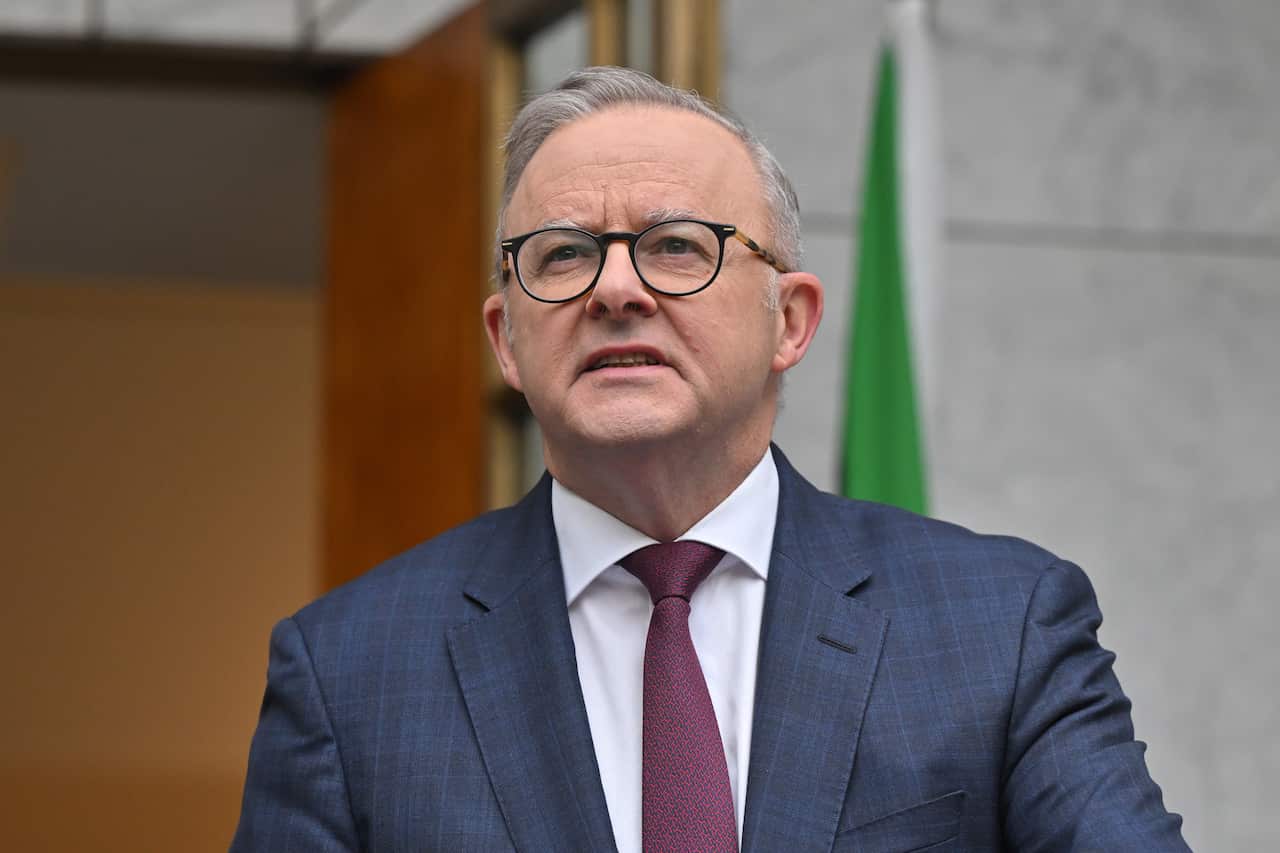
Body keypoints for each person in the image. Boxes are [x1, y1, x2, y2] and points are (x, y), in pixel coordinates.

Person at [232, 66, 1189, 852]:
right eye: (561, 256)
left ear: (792, 320)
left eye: (677, 246)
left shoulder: (1000, 627)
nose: (615, 288)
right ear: (506, 340)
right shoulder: (351, 671)